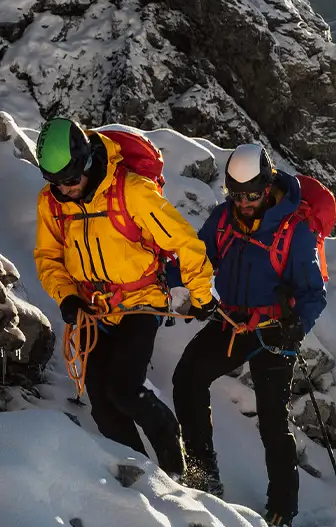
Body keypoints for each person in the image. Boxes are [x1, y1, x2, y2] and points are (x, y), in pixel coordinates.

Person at [33, 117, 213, 477]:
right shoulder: (52, 202)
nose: (64, 190)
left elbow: (183, 242)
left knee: (124, 391)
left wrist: (202, 294)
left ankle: (177, 471)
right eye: (55, 182)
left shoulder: (131, 190)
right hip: (93, 309)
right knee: (102, 405)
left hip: (140, 301)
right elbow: (48, 257)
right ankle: (143, 476)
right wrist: (66, 296)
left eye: (69, 180)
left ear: (86, 162)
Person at [172, 144, 328, 526]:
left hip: (276, 330)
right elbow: (200, 258)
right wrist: (171, 282)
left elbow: (313, 295)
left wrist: (298, 326)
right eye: (236, 195)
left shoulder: (296, 232)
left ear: (268, 185)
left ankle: (283, 509)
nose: (244, 203)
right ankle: (203, 476)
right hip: (233, 320)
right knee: (187, 379)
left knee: (273, 419)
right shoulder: (223, 220)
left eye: (252, 195)